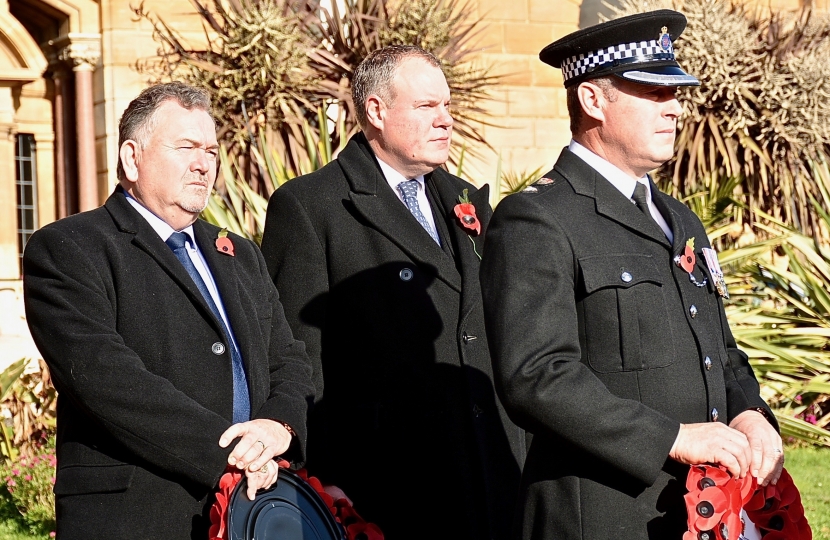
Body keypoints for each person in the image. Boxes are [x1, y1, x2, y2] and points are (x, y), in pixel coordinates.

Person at [479, 10, 783, 540]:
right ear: (593, 100)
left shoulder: (678, 218)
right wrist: (673, 438)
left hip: (705, 511)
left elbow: (720, 349)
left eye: (675, 94)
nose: (675, 109)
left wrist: (751, 412)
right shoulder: (538, 217)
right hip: (603, 515)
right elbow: (536, 375)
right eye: (653, 93)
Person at [23, 82, 315, 539]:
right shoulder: (69, 247)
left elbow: (289, 357)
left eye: (211, 151)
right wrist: (231, 452)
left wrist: (278, 428)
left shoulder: (238, 253)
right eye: (186, 147)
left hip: (255, 509)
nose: (203, 164)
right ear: (131, 158)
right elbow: (106, 378)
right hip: (138, 515)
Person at [259, 45, 525, 540]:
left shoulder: (467, 201)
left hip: (491, 475)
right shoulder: (310, 206)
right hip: (387, 487)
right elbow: (299, 358)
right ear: (376, 111)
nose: (445, 120)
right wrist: (316, 482)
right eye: (427, 107)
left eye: (447, 105)